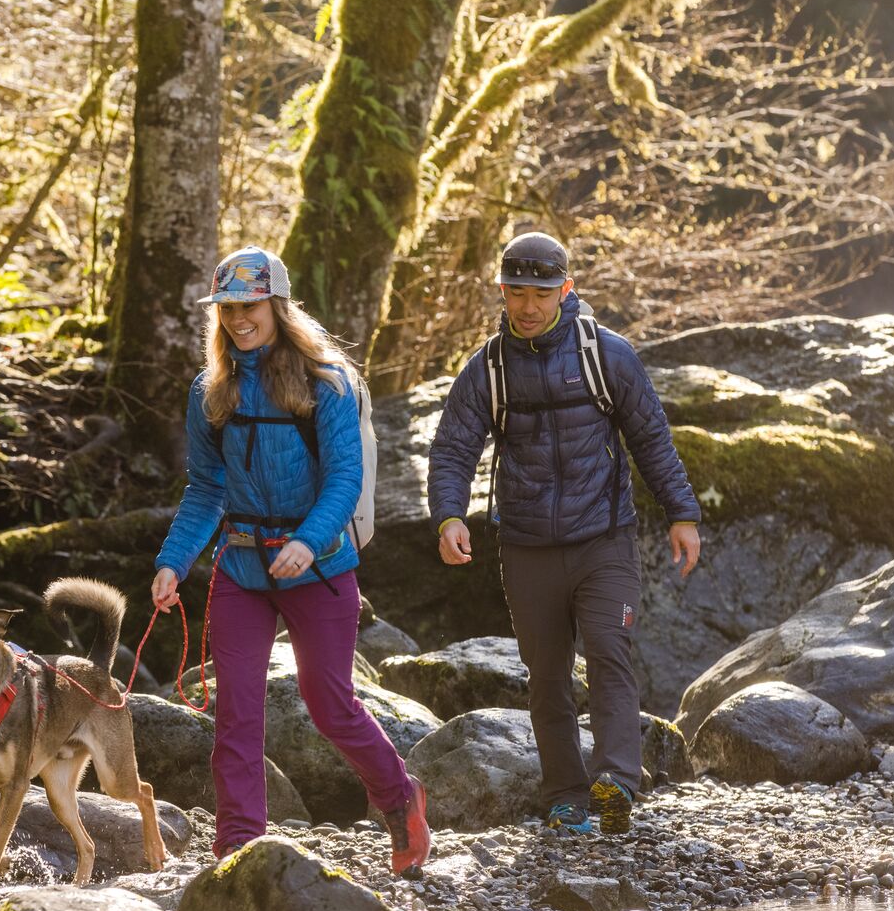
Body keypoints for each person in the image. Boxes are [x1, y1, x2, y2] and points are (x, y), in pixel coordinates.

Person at [150, 245, 431, 877]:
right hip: (242, 570)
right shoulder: (209, 391)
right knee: (236, 711)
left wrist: (307, 541)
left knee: (329, 703)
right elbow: (205, 488)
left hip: (320, 568)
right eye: (226, 308)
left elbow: (345, 479)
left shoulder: (325, 383)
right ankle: (239, 848)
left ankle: (398, 798)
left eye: (249, 305)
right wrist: (173, 561)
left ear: (277, 304)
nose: (237, 319)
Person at [427, 231, 701, 835]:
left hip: (604, 539)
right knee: (546, 674)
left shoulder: (608, 356)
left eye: (542, 293)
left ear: (566, 290)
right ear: (501, 291)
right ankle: (566, 795)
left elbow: (651, 438)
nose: (528, 305)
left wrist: (683, 514)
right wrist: (449, 515)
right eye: (516, 292)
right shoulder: (488, 370)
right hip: (525, 546)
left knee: (609, 652)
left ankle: (616, 784)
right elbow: (452, 449)